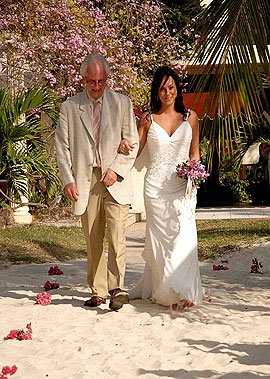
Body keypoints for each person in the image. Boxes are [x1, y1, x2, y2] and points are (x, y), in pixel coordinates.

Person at [55, 53, 139, 310]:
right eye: (91, 81)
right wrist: (68, 180)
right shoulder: (70, 106)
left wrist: (116, 169)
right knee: (92, 237)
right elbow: (62, 147)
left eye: (101, 81)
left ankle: (117, 288)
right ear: (83, 80)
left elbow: (132, 143)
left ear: (107, 79)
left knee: (116, 235)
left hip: (115, 177)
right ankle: (98, 290)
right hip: (85, 178)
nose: (96, 86)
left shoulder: (122, 103)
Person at [119, 66, 203, 308]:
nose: (167, 92)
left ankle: (183, 289)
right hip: (155, 189)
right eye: (162, 89)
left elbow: (194, 153)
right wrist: (123, 146)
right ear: (156, 92)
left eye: (171, 87)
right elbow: (133, 153)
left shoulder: (191, 118)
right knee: (161, 242)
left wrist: (194, 173)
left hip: (183, 188)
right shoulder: (148, 120)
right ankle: (168, 290)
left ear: (177, 89)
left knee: (185, 236)